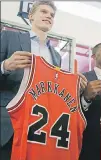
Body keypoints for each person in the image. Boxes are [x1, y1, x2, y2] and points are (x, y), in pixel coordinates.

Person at [1, 1, 63, 159]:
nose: (48, 16)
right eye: (43, 12)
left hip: (40, 127)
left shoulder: (56, 56)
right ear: (30, 16)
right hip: (8, 124)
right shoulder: (9, 37)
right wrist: (5, 66)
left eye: (52, 15)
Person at [79, 42, 101, 160]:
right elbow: (73, 110)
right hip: (90, 142)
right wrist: (86, 97)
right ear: (94, 57)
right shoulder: (82, 78)